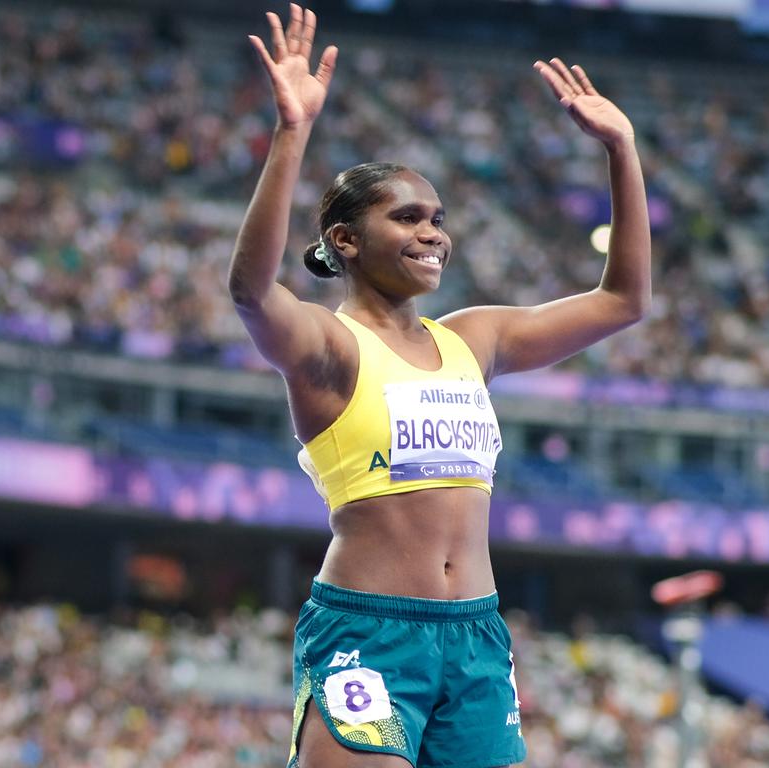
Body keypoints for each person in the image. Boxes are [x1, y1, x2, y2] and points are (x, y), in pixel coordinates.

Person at [229, 5, 651, 767]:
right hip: (369, 631)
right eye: (409, 217)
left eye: (439, 219)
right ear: (345, 242)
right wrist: (292, 132)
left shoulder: (473, 339)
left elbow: (623, 300)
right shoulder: (330, 346)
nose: (434, 233)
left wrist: (622, 149)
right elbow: (252, 294)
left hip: (478, 637)